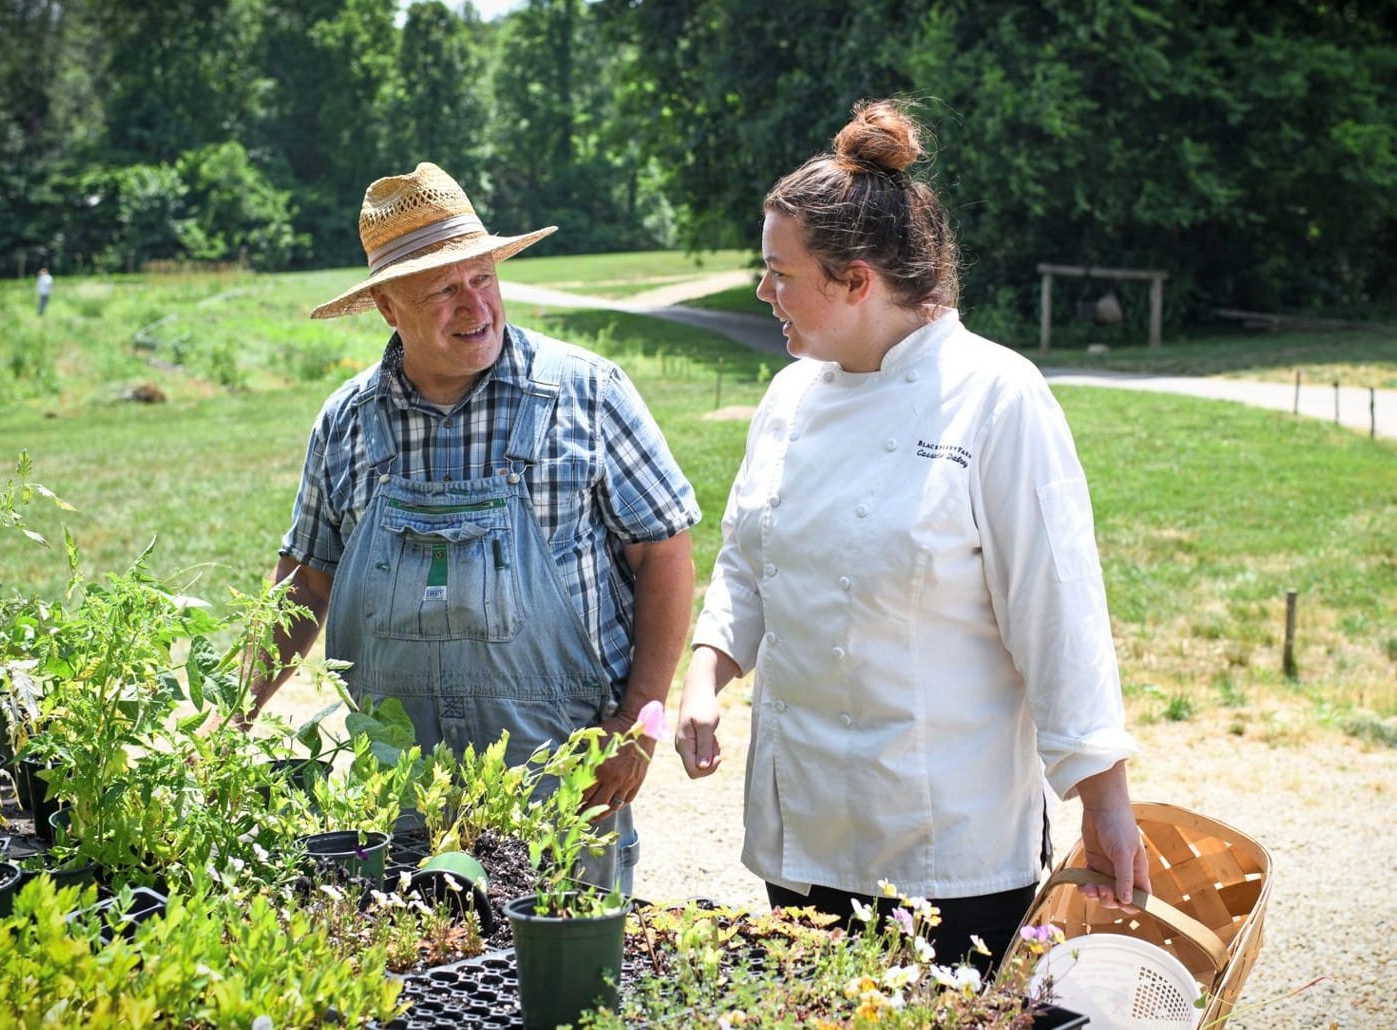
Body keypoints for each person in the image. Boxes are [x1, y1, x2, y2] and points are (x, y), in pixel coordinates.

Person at [674, 99, 1150, 969]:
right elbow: (748, 559)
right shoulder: (788, 398)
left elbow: (1060, 613)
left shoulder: (997, 397)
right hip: (802, 824)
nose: (761, 290)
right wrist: (707, 674)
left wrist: (1104, 801)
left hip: (946, 842)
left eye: (779, 272)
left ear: (856, 281)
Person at [239, 162, 700, 893]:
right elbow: (306, 578)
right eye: (443, 290)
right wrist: (238, 712)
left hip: (565, 771)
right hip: (402, 781)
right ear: (388, 308)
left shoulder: (585, 393)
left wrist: (635, 729)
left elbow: (666, 556)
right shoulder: (349, 422)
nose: (474, 304)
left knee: (566, 981)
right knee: (420, 979)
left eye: (482, 277)